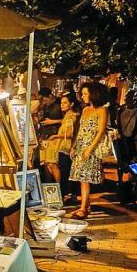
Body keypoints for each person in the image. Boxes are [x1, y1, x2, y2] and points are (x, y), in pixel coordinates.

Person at [69, 83, 109, 219]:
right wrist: (74, 147)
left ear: (94, 94)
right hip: (81, 147)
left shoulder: (102, 110)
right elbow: (80, 131)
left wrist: (89, 149)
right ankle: (86, 206)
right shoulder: (85, 109)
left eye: (85, 94)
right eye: (82, 94)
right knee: (81, 178)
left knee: (85, 178)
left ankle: (83, 208)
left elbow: (100, 131)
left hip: (91, 147)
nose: (83, 96)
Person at [40, 95, 78, 185]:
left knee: (59, 168)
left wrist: (55, 136)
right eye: (61, 103)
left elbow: (69, 134)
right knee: (50, 164)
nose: (62, 105)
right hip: (62, 146)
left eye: (65, 103)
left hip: (65, 147)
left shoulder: (70, 116)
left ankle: (60, 188)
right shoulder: (67, 116)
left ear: (71, 104)